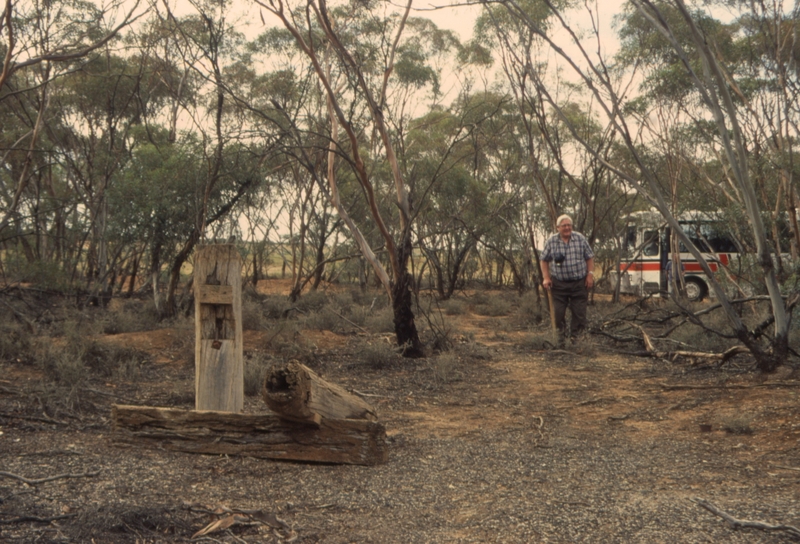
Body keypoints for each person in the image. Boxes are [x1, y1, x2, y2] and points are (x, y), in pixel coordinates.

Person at [540, 214, 594, 341]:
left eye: (569, 225)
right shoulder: (552, 241)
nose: (567, 228)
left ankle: (577, 340)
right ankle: (560, 340)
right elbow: (544, 260)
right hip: (559, 284)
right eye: (564, 225)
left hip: (579, 283)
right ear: (558, 227)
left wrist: (590, 275)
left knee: (579, 313)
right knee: (558, 314)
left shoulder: (580, 238)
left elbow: (589, 257)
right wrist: (546, 277)